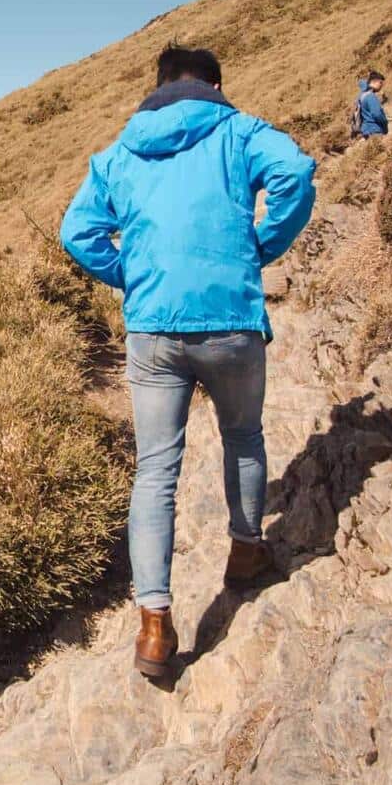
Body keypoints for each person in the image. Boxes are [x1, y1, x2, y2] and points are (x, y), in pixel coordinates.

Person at [60, 44, 317, 679]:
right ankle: (246, 553)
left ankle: (153, 626)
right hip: (231, 320)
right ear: (215, 84)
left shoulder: (120, 152)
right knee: (243, 436)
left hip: (153, 329)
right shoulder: (239, 130)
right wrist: (260, 248)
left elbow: (77, 233)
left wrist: (135, 276)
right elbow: (296, 174)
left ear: (158, 87)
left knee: (155, 471)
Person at [356, 71, 388, 137]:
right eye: (380, 82)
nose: (381, 85)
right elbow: (377, 114)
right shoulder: (370, 96)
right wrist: (385, 122)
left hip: (366, 130)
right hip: (374, 130)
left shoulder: (362, 95)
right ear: (374, 82)